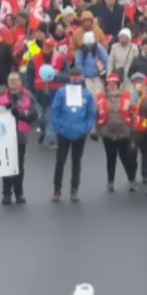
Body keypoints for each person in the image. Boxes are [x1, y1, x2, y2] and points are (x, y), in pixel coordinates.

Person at [51, 67, 97, 202]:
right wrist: (58, 127)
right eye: (73, 76)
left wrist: (87, 128)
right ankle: (57, 190)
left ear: (82, 77)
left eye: (78, 76)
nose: (76, 78)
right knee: (60, 161)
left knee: (76, 162)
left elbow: (91, 112)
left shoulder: (87, 94)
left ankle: (74, 189)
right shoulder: (61, 92)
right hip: (64, 132)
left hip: (80, 133)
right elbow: (55, 110)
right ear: (69, 77)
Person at [0, 73, 36, 204]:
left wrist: (19, 113)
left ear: (20, 82)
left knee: (19, 165)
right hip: (4, 136)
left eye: (15, 80)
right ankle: (6, 193)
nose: (12, 83)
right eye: (10, 81)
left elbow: (34, 115)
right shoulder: (1, 96)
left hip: (20, 135)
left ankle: (19, 193)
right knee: (7, 164)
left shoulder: (28, 96)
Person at [96, 73, 137, 191]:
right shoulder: (100, 98)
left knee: (126, 158)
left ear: (118, 85)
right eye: (109, 84)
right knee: (110, 158)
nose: (111, 86)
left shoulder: (128, 97)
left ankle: (131, 179)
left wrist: (135, 129)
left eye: (114, 84)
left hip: (124, 132)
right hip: (107, 132)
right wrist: (95, 130)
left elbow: (134, 112)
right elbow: (96, 114)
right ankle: (110, 181)